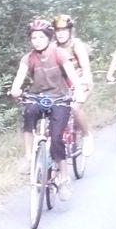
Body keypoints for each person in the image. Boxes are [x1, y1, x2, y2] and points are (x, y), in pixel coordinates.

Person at [8, 18, 83, 199]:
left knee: (56, 138)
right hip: (38, 97)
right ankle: (28, 158)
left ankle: (64, 179)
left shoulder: (58, 53)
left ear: (49, 37)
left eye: (41, 37)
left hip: (59, 99)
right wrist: (15, 89)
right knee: (29, 113)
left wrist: (79, 91)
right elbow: (19, 77)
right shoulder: (28, 58)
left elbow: (73, 76)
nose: (37, 41)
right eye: (34, 38)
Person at [52, 13, 94, 156]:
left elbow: (86, 68)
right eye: (58, 30)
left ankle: (87, 136)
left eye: (64, 30)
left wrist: (82, 85)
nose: (60, 33)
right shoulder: (53, 47)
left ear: (70, 31)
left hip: (80, 82)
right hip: (62, 85)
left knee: (75, 107)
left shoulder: (77, 45)